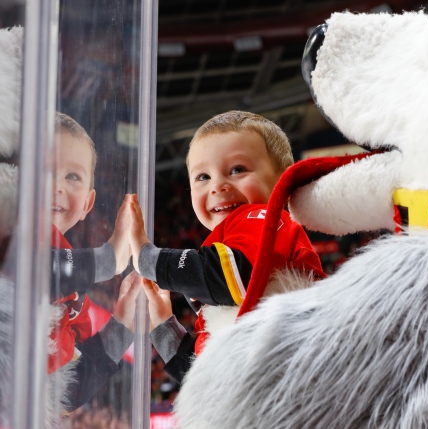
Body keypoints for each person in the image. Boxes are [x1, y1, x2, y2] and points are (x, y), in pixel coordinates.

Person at [127, 111, 324, 383]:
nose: (218, 185)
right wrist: (164, 326)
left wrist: (147, 258)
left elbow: (225, 275)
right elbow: (204, 378)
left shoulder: (264, 217)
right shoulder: (230, 245)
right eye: (203, 177)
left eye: (237, 170)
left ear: (283, 179)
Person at [47, 112, 138, 411]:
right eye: (42, 170)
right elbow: (31, 271)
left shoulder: (75, 294)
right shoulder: (8, 230)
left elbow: (69, 391)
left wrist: (123, 324)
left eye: (72, 176)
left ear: (87, 203)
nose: (57, 186)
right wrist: (109, 259)